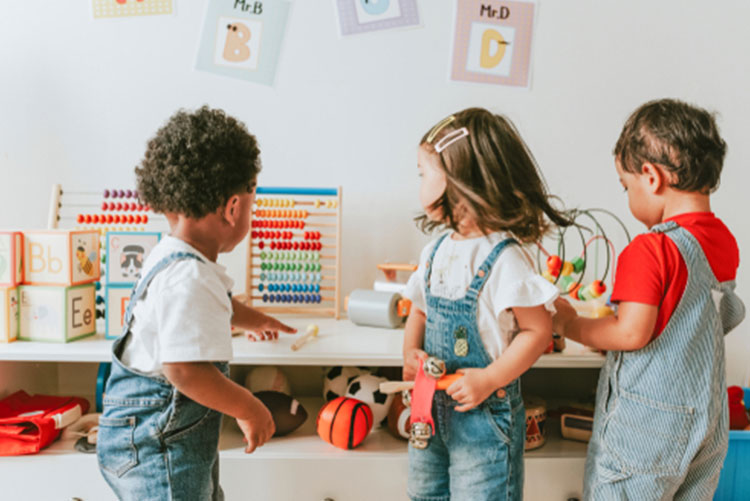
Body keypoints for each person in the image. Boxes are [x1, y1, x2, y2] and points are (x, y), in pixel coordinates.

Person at [97, 106, 296, 500]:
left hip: (164, 435)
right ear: (234, 207)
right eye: (251, 203)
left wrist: (252, 320)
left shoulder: (176, 257)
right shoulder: (189, 277)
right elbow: (185, 370)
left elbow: (213, 304)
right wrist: (249, 407)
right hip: (159, 446)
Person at [553, 98, 745, 500]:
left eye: (626, 187)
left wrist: (570, 324)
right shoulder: (723, 242)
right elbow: (695, 320)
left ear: (651, 177)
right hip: (707, 423)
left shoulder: (649, 249)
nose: (627, 197)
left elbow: (631, 334)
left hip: (650, 428)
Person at [402, 107, 570, 501]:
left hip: (484, 419)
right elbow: (420, 309)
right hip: (430, 410)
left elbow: (538, 330)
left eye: (424, 173)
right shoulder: (435, 251)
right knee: (424, 494)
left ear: (458, 180)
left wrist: (490, 379)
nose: (420, 182)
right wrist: (410, 350)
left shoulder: (505, 258)